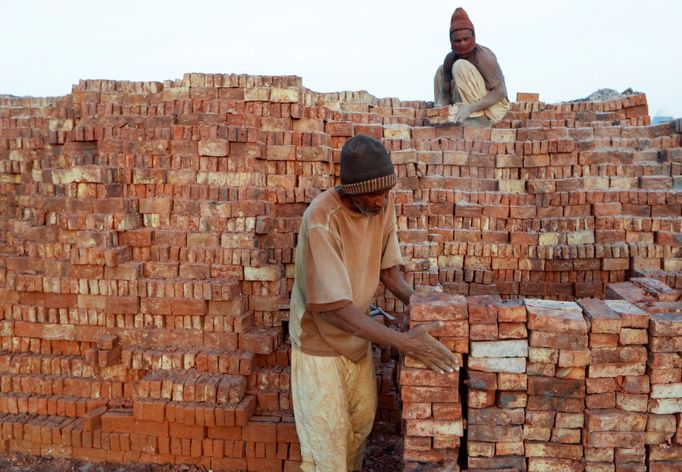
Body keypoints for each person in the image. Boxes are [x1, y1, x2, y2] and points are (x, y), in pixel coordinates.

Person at [289, 135, 458, 472]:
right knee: (328, 451)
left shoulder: (382, 202)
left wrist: (426, 307)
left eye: (387, 192)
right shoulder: (324, 218)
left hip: (358, 339)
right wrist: (403, 343)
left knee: (357, 435)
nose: (383, 201)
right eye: (375, 194)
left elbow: (390, 274)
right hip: (319, 347)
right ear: (352, 190)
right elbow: (333, 309)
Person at [433, 7, 510, 126]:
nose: (462, 44)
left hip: (493, 109)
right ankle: (454, 114)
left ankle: (479, 118)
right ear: (451, 41)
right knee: (440, 70)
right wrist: (440, 109)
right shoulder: (450, 59)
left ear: (473, 37)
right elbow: (445, 91)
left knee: (460, 65)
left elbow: (500, 92)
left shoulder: (484, 57)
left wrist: (471, 108)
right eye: (457, 41)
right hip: (466, 107)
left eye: (466, 39)